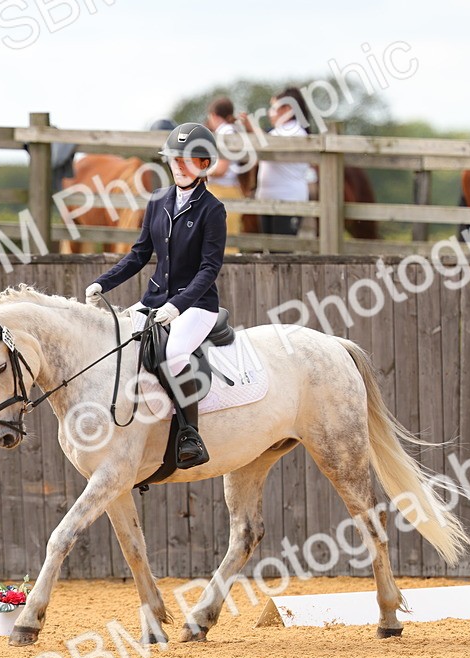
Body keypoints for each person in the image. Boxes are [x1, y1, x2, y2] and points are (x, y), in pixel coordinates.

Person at [85, 122, 228, 469]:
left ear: (204, 164)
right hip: (153, 300)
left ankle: (189, 434)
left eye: (187, 160)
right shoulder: (158, 201)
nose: (179, 166)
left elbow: (209, 269)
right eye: (174, 159)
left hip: (196, 305)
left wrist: (177, 307)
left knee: (174, 353)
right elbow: (138, 254)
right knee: (117, 342)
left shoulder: (213, 210)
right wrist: (103, 283)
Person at [239, 87, 316, 238]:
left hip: (288, 200)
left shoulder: (295, 131)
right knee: (271, 250)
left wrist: (252, 127)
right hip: (269, 200)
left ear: (287, 109)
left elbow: (268, 144)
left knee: (282, 251)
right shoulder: (278, 132)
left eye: (273, 108)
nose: (270, 113)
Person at [203, 97, 243, 246]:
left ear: (213, 115)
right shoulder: (229, 130)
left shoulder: (225, 132)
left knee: (222, 242)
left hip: (223, 191)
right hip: (225, 190)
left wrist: (198, 171)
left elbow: (221, 169)